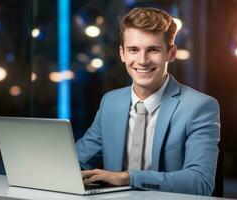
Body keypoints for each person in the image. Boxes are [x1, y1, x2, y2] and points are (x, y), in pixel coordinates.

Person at [76, 7, 220, 196]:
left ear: (171, 53)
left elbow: (200, 183)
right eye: (133, 50)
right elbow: (76, 162)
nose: (142, 60)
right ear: (122, 54)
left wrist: (128, 177)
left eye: (153, 50)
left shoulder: (200, 107)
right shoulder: (110, 102)